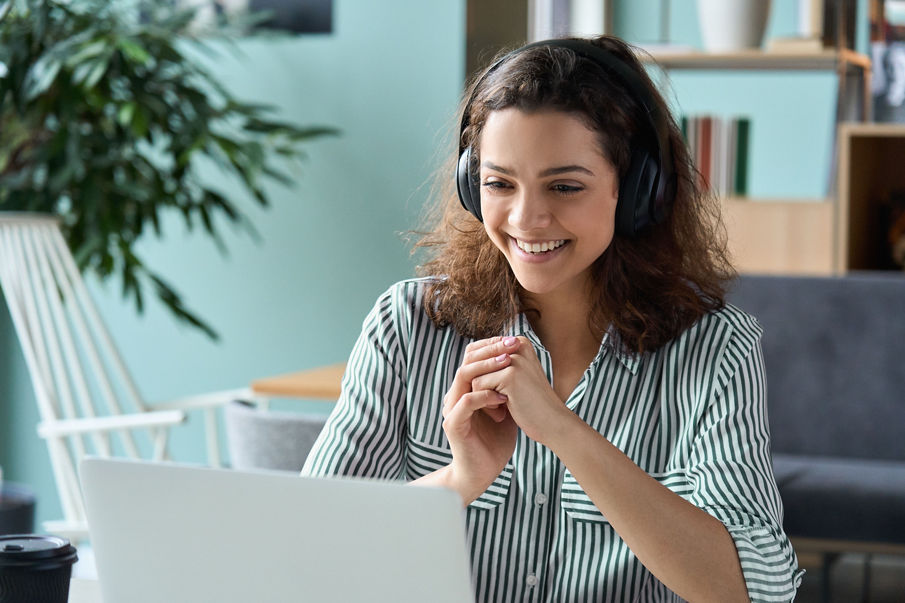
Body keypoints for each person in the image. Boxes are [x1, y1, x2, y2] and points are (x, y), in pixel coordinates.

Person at [302, 35, 802, 602]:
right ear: (472, 185)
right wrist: (458, 482)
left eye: (564, 186)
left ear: (638, 190)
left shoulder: (714, 350)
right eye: (498, 183)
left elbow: (755, 590)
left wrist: (563, 432)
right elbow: (308, 550)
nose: (526, 218)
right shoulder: (407, 325)